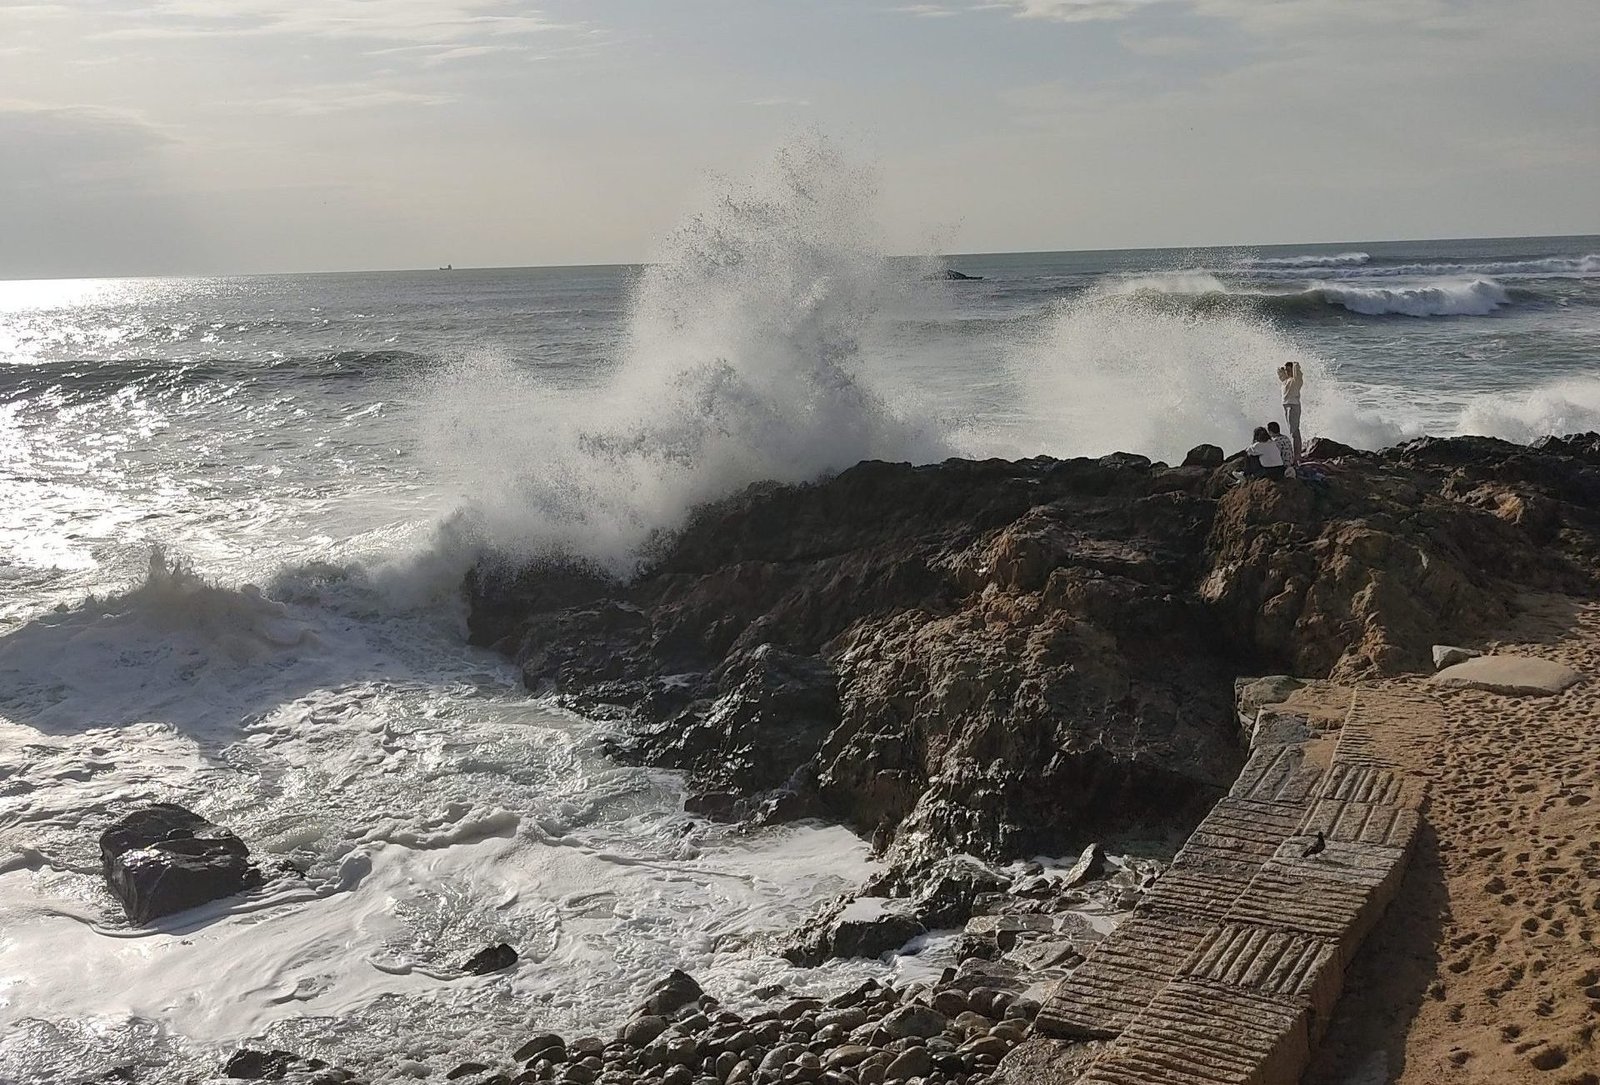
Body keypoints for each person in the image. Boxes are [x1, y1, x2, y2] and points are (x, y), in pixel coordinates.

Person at [1277, 361, 1304, 458]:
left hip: (1293, 406)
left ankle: (1297, 455)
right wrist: (1283, 368)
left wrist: (1294, 365)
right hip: (1286, 405)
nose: (1287, 372)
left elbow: (1298, 372)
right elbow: (1279, 372)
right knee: (1292, 431)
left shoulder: (1296, 381)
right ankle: (1296, 453)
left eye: (1289, 370)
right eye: (1286, 370)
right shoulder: (1285, 381)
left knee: (1294, 432)